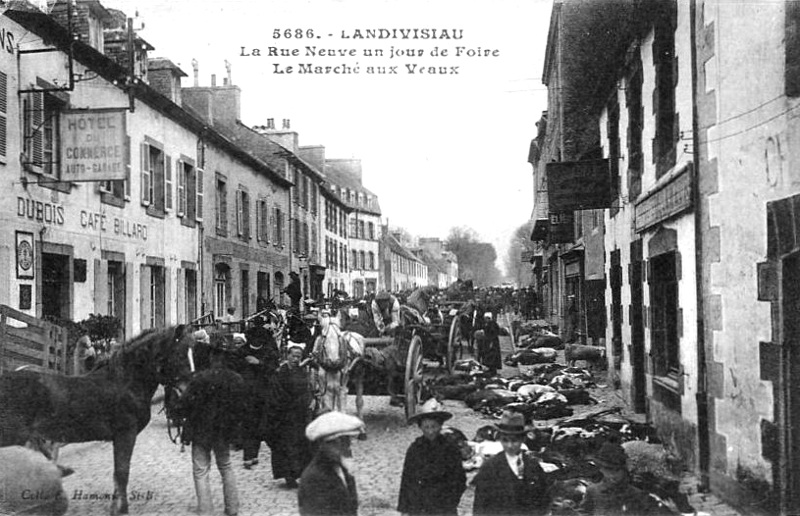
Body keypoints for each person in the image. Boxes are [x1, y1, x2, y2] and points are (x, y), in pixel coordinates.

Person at [174, 340, 247, 516]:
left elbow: (183, 406)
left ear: (210, 358)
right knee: (226, 466)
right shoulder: (235, 379)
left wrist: (179, 398)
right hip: (223, 432)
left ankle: (206, 511)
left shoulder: (198, 379)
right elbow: (242, 408)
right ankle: (232, 508)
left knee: (200, 471)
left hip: (201, 431)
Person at [472, 410, 552, 516]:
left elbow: (544, 499)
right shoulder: (491, 466)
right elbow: (480, 505)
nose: (510, 445)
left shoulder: (532, 465)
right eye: (505, 440)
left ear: (523, 439)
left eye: (514, 441)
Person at [397, 398, 467, 516]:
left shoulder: (450, 448)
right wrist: (405, 509)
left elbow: (459, 479)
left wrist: (451, 502)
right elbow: (407, 480)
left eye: (434, 426)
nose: (430, 431)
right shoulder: (415, 449)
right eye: (426, 427)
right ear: (421, 428)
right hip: (419, 506)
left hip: (444, 505)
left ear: (440, 426)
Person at [264, 342, 313, 489]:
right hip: (284, 416)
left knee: (300, 446)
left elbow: (306, 389)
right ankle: (288, 477)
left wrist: (309, 401)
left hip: (299, 416)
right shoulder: (280, 373)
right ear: (287, 356)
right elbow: (276, 395)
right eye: (293, 356)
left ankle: (299, 474)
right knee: (285, 447)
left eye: (299, 356)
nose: (296, 359)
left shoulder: (302, 372)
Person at [298, 411, 365, 516]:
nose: (347, 447)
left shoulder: (342, 467)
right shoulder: (314, 477)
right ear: (324, 445)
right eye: (342, 442)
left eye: (348, 441)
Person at [580, 442, 677, 515]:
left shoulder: (639, 495)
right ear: (600, 469)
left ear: (624, 469)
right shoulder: (593, 492)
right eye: (607, 470)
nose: (612, 475)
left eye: (617, 470)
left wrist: (673, 511)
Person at [231, 332, 274, 469]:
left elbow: (273, 370)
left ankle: (254, 454)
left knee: (262, 426)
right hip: (246, 395)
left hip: (264, 395)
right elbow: (233, 370)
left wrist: (259, 363)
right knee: (248, 425)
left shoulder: (269, 352)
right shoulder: (241, 352)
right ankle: (249, 456)